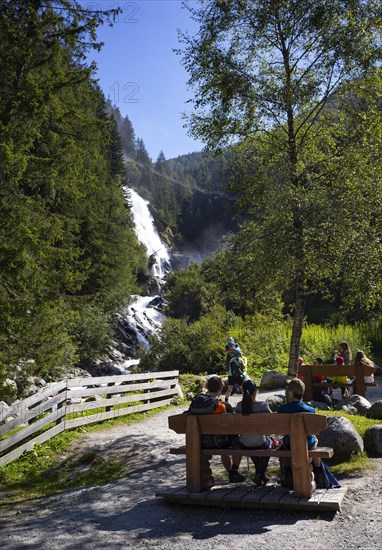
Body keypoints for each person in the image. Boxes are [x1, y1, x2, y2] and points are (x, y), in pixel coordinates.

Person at [188, 375, 245, 483]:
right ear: (220, 389)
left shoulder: (197, 401)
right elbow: (235, 424)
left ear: (207, 387)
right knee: (236, 441)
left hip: (200, 441)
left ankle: (231, 472)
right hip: (218, 442)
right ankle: (233, 471)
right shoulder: (222, 405)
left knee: (223, 437)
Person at [277, 378, 321, 488]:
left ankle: (287, 473)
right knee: (314, 440)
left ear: (291, 392)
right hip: (307, 444)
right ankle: (319, 470)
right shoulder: (311, 410)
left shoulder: (282, 410)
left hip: (289, 444)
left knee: (283, 445)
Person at [235, 380, 272, 486]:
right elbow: (271, 425)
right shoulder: (263, 405)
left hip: (244, 443)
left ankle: (260, 475)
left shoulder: (238, 406)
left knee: (252, 443)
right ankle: (260, 473)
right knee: (270, 445)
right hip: (260, 442)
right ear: (256, 391)